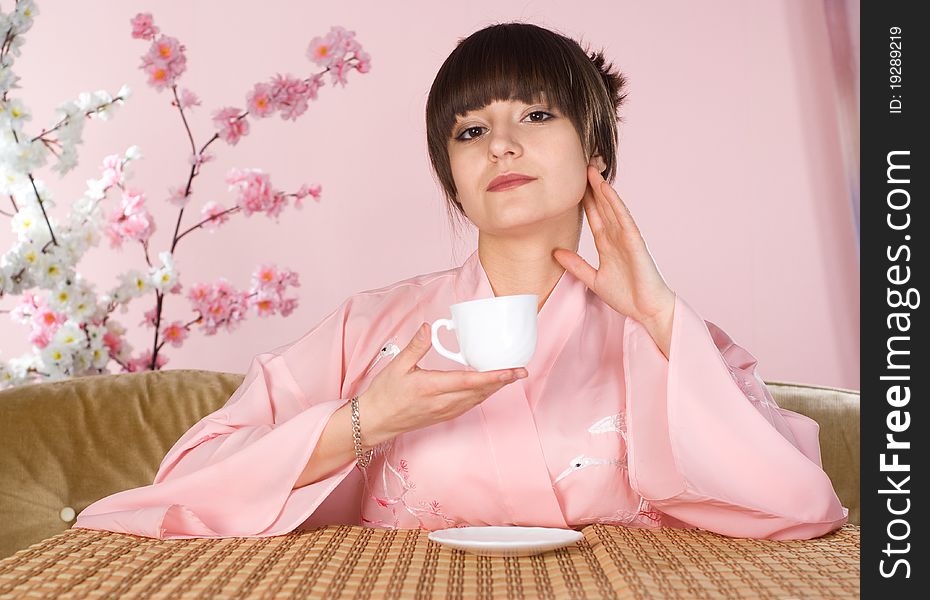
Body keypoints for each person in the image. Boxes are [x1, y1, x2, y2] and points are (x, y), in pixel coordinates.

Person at [74, 22, 848, 541]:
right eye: (471, 131)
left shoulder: (673, 337)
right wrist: (365, 419)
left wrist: (657, 314)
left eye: (536, 117)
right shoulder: (370, 328)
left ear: (596, 156)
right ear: (454, 179)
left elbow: (804, 507)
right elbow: (186, 480)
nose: (501, 145)